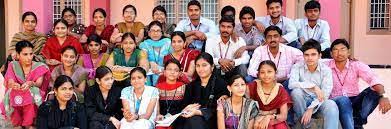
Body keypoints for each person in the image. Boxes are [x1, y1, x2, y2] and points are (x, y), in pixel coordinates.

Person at [325, 39, 391, 129]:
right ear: (331, 54)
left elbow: (373, 78)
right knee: (347, 107)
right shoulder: (325, 65)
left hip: (355, 101)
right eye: (335, 50)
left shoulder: (356, 65)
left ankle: (356, 120)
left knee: (374, 90)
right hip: (335, 101)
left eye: (342, 49)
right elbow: (309, 58)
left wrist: (384, 96)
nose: (339, 53)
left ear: (349, 52)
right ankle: (357, 121)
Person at [288, 39, 339, 129]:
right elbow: (291, 84)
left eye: (313, 54)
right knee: (296, 92)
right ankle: (305, 125)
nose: (310, 58)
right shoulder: (297, 67)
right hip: (302, 101)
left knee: (331, 105)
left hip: (319, 101)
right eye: (306, 55)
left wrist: (311, 109)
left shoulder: (326, 70)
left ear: (320, 55)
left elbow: (325, 94)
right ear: (303, 56)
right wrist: (313, 87)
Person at [3, 41, 50, 129]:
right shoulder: (13, 65)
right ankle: (17, 124)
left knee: (33, 90)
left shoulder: (40, 66)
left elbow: (39, 84)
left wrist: (31, 83)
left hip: (32, 98)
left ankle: (29, 123)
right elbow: (10, 80)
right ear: (18, 54)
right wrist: (13, 84)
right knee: (12, 91)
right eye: (25, 54)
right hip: (17, 97)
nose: (29, 57)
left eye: (31, 54)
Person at [180, 53, 230, 129]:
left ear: (212, 67)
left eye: (204, 65)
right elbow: (183, 107)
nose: (201, 69)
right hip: (192, 121)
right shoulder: (191, 86)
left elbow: (220, 110)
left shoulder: (221, 84)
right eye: (198, 66)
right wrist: (187, 108)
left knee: (194, 120)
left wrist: (198, 112)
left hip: (214, 121)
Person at [247, 60, 292, 129]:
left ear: (275, 73)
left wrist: (269, 117)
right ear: (258, 74)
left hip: (275, 118)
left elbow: (283, 116)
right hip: (256, 118)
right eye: (262, 72)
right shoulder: (253, 86)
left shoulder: (280, 90)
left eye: (269, 72)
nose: (266, 75)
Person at [155, 59, 187, 129]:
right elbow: (155, 105)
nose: (172, 72)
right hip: (161, 118)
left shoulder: (184, 87)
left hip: (179, 118)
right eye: (169, 69)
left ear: (179, 73)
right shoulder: (157, 87)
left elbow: (185, 106)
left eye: (176, 70)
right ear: (164, 72)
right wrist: (158, 114)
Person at [139, 21, 172, 86]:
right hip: (149, 73)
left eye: (158, 31)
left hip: (165, 73)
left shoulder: (168, 43)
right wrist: (151, 63)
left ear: (161, 33)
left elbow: (173, 58)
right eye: (153, 31)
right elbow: (143, 58)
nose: (155, 33)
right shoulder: (144, 44)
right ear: (149, 33)